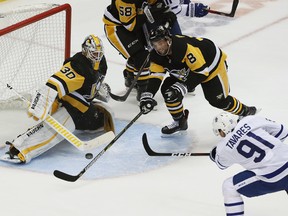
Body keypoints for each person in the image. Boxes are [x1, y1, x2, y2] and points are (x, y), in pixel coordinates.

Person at [1, 35, 114, 164]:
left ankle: (23, 144)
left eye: (99, 54)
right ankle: (20, 150)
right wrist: (42, 103)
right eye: (93, 54)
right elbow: (54, 83)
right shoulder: (78, 66)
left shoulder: (101, 64)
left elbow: (89, 84)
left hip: (84, 109)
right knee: (52, 131)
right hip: (69, 107)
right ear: (85, 51)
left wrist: (98, 90)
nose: (97, 57)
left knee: (105, 116)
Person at [139, 25, 257, 136]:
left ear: (167, 40)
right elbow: (155, 76)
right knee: (169, 92)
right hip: (187, 68)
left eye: (160, 43)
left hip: (210, 66)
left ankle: (245, 111)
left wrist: (182, 87)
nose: (158, 47)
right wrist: (147, 96)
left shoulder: (184, 48)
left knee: (217, 100)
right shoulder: (156, 55)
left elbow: (201, 72)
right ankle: (180, 122)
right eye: (155, 44)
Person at [210, 112, 288, 215]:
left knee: (229, 186)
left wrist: (213, 154)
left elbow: (221, 164)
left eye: (219, 132)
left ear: (222, 129)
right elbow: (283, 132)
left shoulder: (223, 147)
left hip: (272, 176)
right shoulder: (250, 120)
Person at [103, 0, 178, 101]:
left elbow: (157, 4)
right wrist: (152, 12)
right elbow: (130, 26)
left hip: (135, 21)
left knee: (140, 51)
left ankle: (130, 78)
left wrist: (167, 14)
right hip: (116, 27)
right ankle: (143, 93)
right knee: (141, 56)